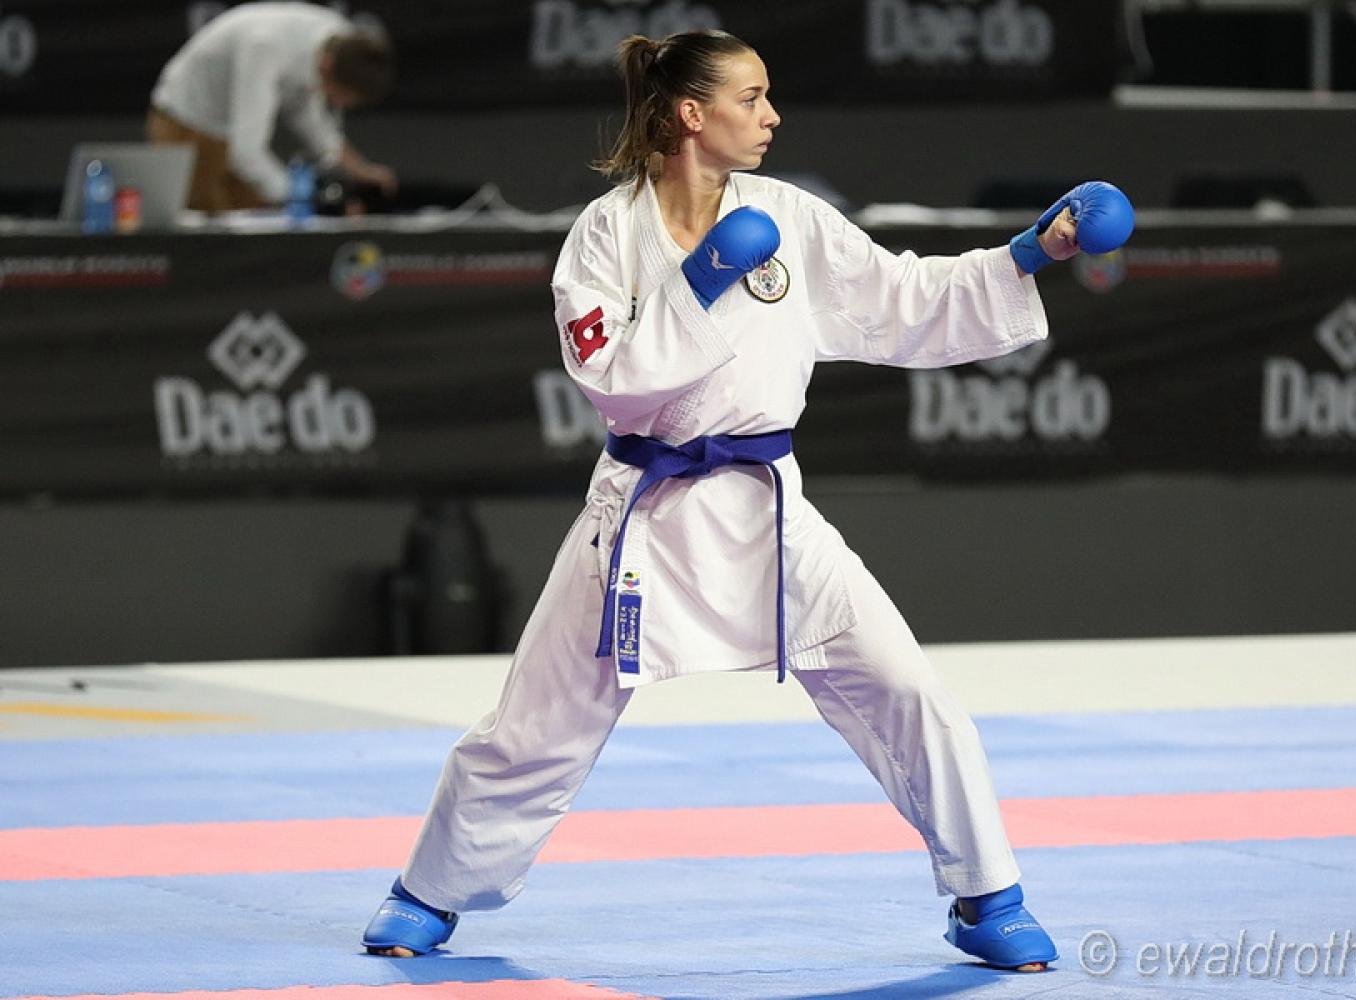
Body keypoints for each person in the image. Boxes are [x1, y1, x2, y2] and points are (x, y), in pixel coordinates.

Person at [361, 29, 1133, 973]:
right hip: (641, 514)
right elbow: (609, 380)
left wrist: (1026, 253)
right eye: (752, 98)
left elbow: (900, 298)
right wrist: (703, 280)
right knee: (536, 726)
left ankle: (988, 896)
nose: (772, 116)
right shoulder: (605, 233)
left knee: (907, 692)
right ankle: (428, 892)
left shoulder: (789, 217)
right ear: (692, 114)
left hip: (770, 512)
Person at [146, 2, 397, 213]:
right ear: (327, 66)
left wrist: (358, 169)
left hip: (229, 131)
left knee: (256, 225)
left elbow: (308, 115)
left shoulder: (341, 39)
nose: (337, 104)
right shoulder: (265, 49)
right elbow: (246, 153)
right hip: (185, 121)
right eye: (338, 96)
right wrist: (307, 198)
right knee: (210, 235)